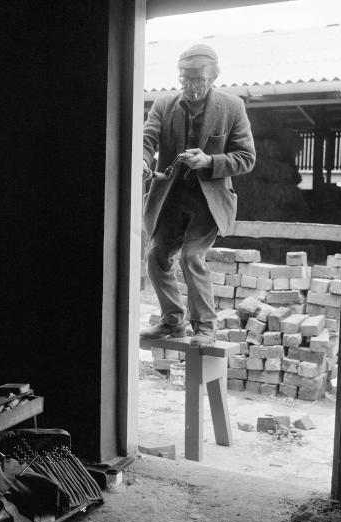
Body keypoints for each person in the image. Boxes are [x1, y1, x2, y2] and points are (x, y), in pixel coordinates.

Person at [140, 44, 256, 347]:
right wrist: (141, 159)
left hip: (209, 201)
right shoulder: (163, 105)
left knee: (192, 257)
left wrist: (210, 161)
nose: (191, 87)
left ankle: (205, 327)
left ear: (213, 77)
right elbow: (147, 137)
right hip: (170, 197)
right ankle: (172, 322)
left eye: (199, 81)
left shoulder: (232, 107)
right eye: (186, 80)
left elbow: (246, 157)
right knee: (155, 257)